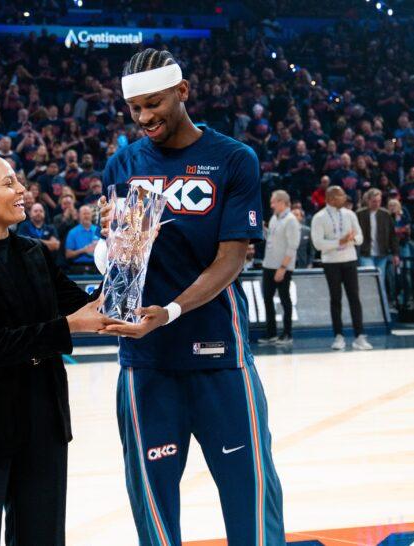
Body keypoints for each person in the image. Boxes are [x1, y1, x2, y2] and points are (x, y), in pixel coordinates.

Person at [98, 49, 285, 546]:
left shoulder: (233, 159)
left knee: (250, 499)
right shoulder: (121, 165)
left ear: (182, 91)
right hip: (146, 361)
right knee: (154, 510)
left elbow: (231, 259)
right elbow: (122, 265)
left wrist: (170, 311)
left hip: (219, 354)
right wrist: (107, 242)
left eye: (154, 103)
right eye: (135, 108)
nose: (144, 118)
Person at [0, 154, 117, 546]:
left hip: (43, 419)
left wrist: (122, 250)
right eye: (9, 183)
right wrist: (68, 326)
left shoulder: (35, 252)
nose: (22, 190)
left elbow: (93, 307)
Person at [311, 186, 371, 351]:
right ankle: (338, 336)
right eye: (341, 195)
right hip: (331, 262)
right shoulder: (319, 217)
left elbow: (360, 237)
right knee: (335, 299)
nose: (345, 197)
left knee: (354, 298)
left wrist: (352, 239)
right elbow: (318, 243)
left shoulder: (350, 214)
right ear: (331, 198)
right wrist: (339, 242)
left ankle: (360, 336)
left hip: (350, 260)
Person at [259, 190, 300, 346]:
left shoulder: (291, 220)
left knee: (285, 300)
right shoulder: (274, 218)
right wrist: (264, 230)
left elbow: (292, 246)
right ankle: (272, 334)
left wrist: (283, 267)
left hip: (282, 267)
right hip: (268, 265)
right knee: (267, 299)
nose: (271, 205)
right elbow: (272, 238)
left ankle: (287, 334)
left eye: (273, 202)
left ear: (282, 202)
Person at [356, 188, 399, 302]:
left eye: (379, 201)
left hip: (382, 253)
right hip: (366, 253)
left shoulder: (386, 214)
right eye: (374, 201)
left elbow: (392, 235)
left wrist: (395, 253)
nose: (376, 203)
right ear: (368, 200)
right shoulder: (359, 214)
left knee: (380, 281)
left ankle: (382, 307)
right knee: (369, 281)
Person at [64, 205, 99, 272]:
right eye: (84, 214)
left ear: (91, 215)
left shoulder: (98, 231)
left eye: (88, 213)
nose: (86, 216)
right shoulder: (72, 232)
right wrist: (83, 250)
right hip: (78, 267)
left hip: (96, 267)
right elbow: (68, 255)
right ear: (79, 216)